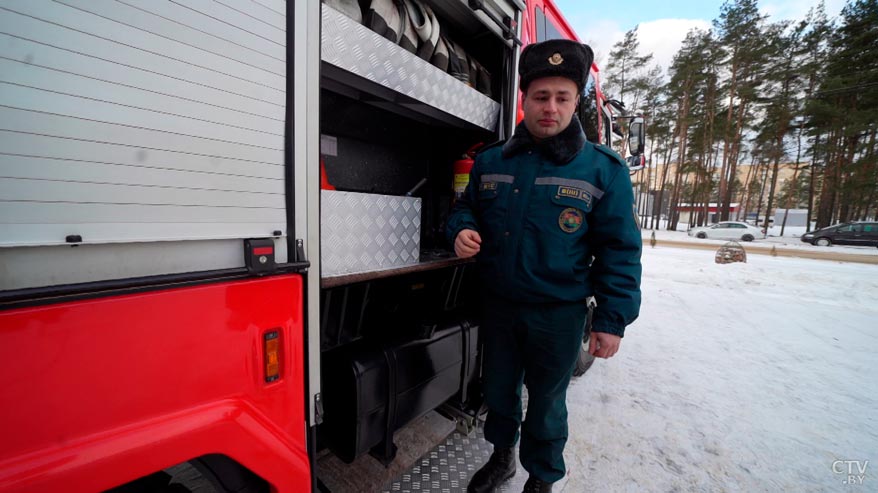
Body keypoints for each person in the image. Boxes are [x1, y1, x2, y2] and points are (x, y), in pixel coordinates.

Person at [446, 39, 642, 493]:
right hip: (498, 305)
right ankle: (501, 459)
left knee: (548, 403)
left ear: (576, 101)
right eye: (540, 96)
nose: (550, 107)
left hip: (558, 312)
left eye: (562, 97)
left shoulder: (602, 169)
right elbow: (464, 209)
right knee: (498, 392)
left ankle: (542, 476)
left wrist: (612, 319)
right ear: (523, 99)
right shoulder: (491, 161)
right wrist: (460, 229)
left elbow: (620, 250)